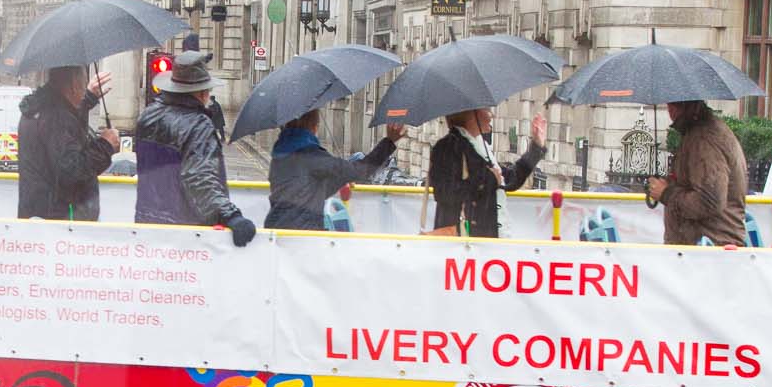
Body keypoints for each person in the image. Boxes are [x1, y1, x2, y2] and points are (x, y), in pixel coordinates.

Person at [133, 51, 255, 244]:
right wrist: (231, 216)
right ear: (201, 92)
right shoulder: (198, 125)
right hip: (186, 237)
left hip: (147, 228)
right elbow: (199, 178)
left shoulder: (147, 117)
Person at [268, 109, 403, 231]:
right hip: (305, 237)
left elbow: (309, 191)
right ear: (313, 127)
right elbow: (360, 171)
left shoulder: (279, 155)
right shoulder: (312, 155)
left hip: (275, 232)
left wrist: (340, 180)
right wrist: (389, 141)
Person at [426, 107, 547, 239]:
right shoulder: (448, 146)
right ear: (473, 114)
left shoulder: (479, 147)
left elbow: (510, 179)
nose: (492, 115)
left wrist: (536, 147)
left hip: (483, 240)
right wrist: (488, 180)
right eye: (488, 110)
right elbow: (445, 192)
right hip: (462, 243)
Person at [16, 66, 118, 221]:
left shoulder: (43, 109)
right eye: (83, 83)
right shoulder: (56, 119)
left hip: (39, 215)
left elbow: (68, 136)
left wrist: (88, 99)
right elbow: (72, 171)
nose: (84, 89)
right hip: (60, 225)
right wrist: (105, 145)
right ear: (73, 85)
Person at [651, 100, 746, 247]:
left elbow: (710, 201)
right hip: (701, 248)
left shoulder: (704, 139)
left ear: (676, 107)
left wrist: (666, 193)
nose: (668, 110)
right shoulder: (698, 133)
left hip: (707, 251)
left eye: (669, 104)